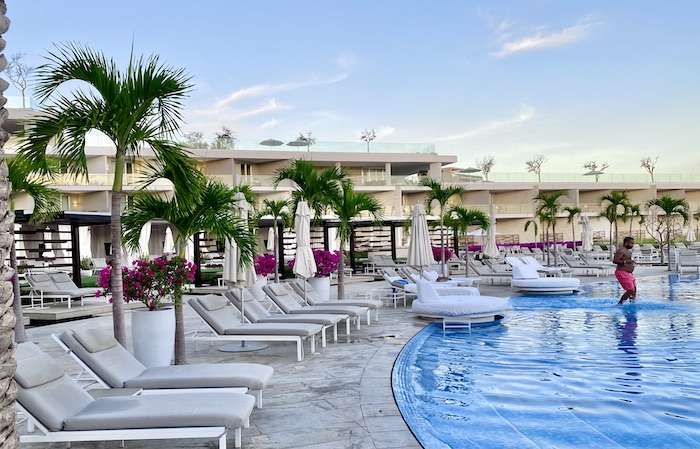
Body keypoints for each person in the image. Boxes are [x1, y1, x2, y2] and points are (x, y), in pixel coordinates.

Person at [613, 236, 636, 304]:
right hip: (622, 272)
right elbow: (615, 260)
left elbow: (626, 260)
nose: (632, 245)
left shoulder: (627, 251)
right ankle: (620, 304)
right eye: (631, 243)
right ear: (626, 243)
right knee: (630, 290)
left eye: (633, 243)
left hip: (628, 273)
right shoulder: (621, 250)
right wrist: (626, 262)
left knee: (634, 289)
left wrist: (631, 262)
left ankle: (632, 303)